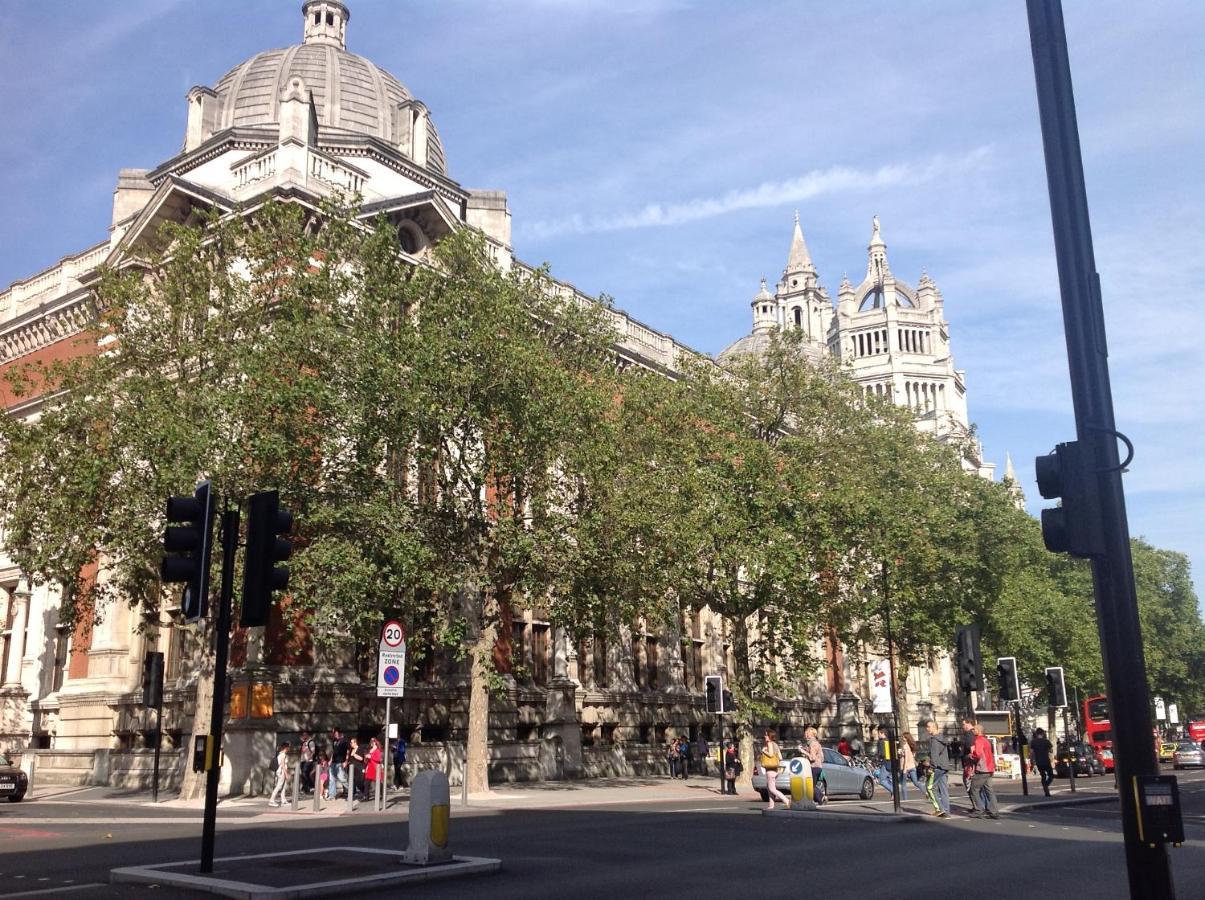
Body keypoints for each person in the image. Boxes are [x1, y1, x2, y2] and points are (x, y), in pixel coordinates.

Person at [967, 723, 1000, 819]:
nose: (973, 731)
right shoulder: (986, 740)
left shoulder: (978, 740)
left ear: (978, 731)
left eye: (974, 729)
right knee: (989, 790)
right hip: (990, 768)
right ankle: (994, 811)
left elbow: (977, 754)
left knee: (974, 789)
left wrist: (971, 756)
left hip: (982, 768)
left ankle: (979, 810)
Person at [922, 719, 951, 818]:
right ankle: (946, 810)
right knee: (943, 789)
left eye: (928, 726)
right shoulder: (942, 738)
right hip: (944, 766)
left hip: (937, 767)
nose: (927, 728)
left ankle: (940, 809)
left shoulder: (934, 740)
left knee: (930, 787)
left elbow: (934, 756)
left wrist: (931, 767)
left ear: (934, 727)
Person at [761, 729, 790, 810]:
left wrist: (764, 751)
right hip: (775, 769)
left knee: (772, 789)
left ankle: (787, 801)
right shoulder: (776, 745)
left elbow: (770, 754)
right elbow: (780, 758)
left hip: (770, 769)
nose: (764, 736)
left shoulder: (769, 744)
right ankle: (771, 805)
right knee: (769, 788)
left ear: (769, 736)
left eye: (766, 735)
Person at [1031, 727, 1055, 797]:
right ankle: (1046, 785)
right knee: (1051, 775)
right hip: (1046, 761)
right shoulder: (1046, 741)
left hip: (1038, 762)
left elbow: (1032, 752)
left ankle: (1046, 790)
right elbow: (1051, 750)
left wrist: (1033, 761)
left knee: (1043, 775)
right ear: (1042, 734)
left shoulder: (1033, 742)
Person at [327, 728, 349, 800]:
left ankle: (351, 791)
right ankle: (332, 795)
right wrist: (330, 760)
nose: (334, 735)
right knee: (331, 779)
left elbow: (348, 751)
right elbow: (334, 751)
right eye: (333, 733)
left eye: (335, 733)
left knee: (342, 778)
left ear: (339, 733)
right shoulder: (334, 741)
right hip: (333, 762)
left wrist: (346, 761)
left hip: (340, 762)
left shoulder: (344, 741)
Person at [804, 726, 824, 802]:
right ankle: (820, 798)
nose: (805, 735)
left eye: (807, 734)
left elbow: (812, 758)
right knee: (811, 785)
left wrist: (804, 752)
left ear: (812, 735)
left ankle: (820, 798)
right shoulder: (811, 744)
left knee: (810, 785)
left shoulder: (813, 744)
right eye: (805, 733)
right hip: (815, 767)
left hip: (814, 767)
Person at [268, 743, 291, 807]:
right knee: (279, 786)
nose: (289, 749)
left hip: (281, 772)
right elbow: (283, 765)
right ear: (286, 748)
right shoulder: (283, 755)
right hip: (281, 772)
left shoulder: (280, 754)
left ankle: (283, 800)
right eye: (288, 747)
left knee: (283, 786)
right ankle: (271, 800)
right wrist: (286, 773)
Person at [364, 736, 383, 802]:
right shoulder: (370, 750)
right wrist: (366, 757)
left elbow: (378, 759)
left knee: (378, 782)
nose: (372, 742)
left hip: (375, 767)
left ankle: (380, 795)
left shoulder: (378, 750)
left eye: (373, 741)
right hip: (370, 767)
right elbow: (368, 759)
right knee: (366, 782)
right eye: (371, 741)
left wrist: (370, 756)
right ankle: (366, 796)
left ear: (375, 742)